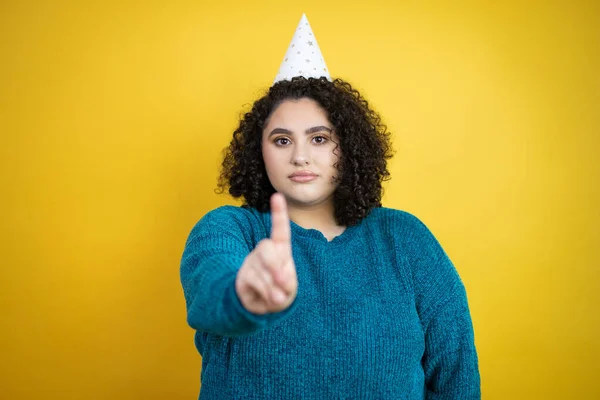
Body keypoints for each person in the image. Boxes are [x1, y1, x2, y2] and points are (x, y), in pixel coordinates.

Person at [180, 14, 480, 400]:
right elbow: (208, 286)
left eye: (319, 138)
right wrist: (242, 295)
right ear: (260, 153)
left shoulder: (405, 240)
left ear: (349, 147)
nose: (301, 157)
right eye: (282, 141)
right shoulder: (230, 229)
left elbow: (457, 377)